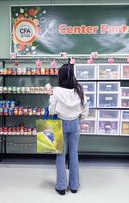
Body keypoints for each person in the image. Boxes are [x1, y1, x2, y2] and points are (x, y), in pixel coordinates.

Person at [47, 59, 88, 195]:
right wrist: (78, 118)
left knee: (60, 155)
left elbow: (52, 110)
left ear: (61, 76)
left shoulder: (56, 91)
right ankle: (74, 186)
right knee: (74, 155)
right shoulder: (80, 90)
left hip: (60, 123)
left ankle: (61, 187)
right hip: (75, 123)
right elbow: (85, 111)